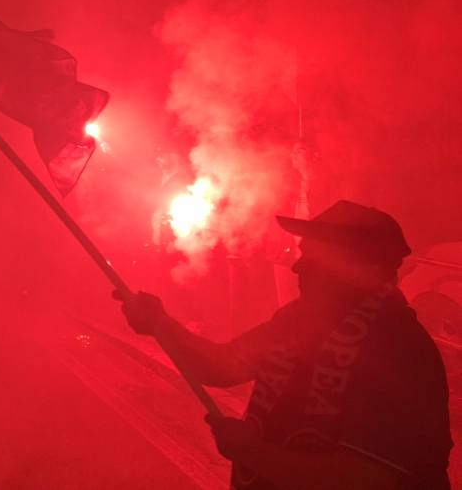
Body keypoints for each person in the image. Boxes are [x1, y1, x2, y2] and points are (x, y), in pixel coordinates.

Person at [115, 200, 452, 489]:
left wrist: (253, 453)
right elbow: (224, 365)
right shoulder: (301, 318)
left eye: (315, 257)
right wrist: (160, 324)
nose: (297, 266)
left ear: (359, 266)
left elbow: (362, 478)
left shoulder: (398, 347)